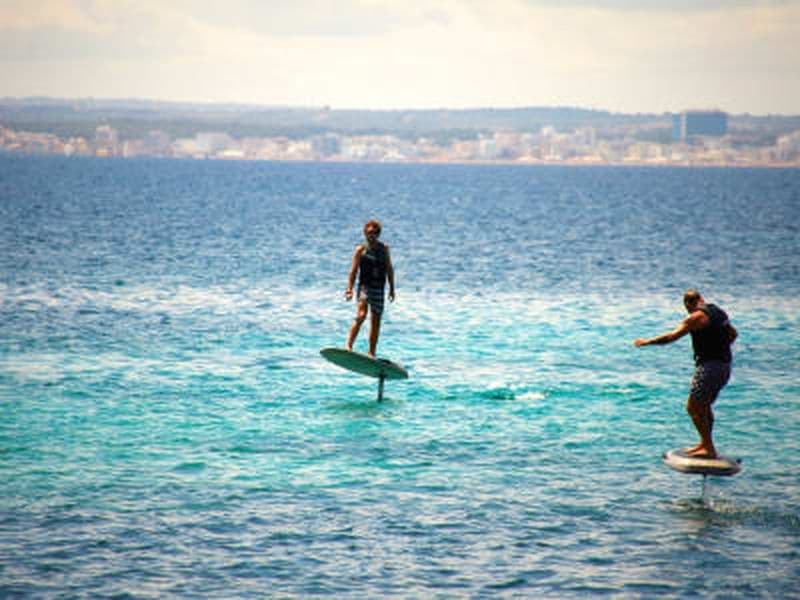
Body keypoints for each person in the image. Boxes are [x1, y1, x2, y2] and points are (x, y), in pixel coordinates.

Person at [634, 289, 737, 459]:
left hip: (709, 367)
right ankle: (705, 443)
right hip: (724, 366)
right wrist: (718, 347)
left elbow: (671, 337)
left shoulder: (695, 318)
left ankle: (708, 446)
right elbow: (733, 334)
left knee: (693, 407)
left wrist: (647, 342)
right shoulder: (718, 312)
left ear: (688, 304)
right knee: (704, 406)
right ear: (701, 298)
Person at [345, 219, 395, 358]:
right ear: (365, 234)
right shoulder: (361, 250)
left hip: (379, 288)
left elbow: (389, 269)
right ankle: (349, 345)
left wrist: (392, 288)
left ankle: (371, 353)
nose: (371, 235)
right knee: (361, 315)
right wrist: (349, 288)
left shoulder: (384, 249)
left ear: (378, 234)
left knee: (376, 321)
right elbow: (353, 271)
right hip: (364, 287)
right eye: (368, 233)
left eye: (374, 233)